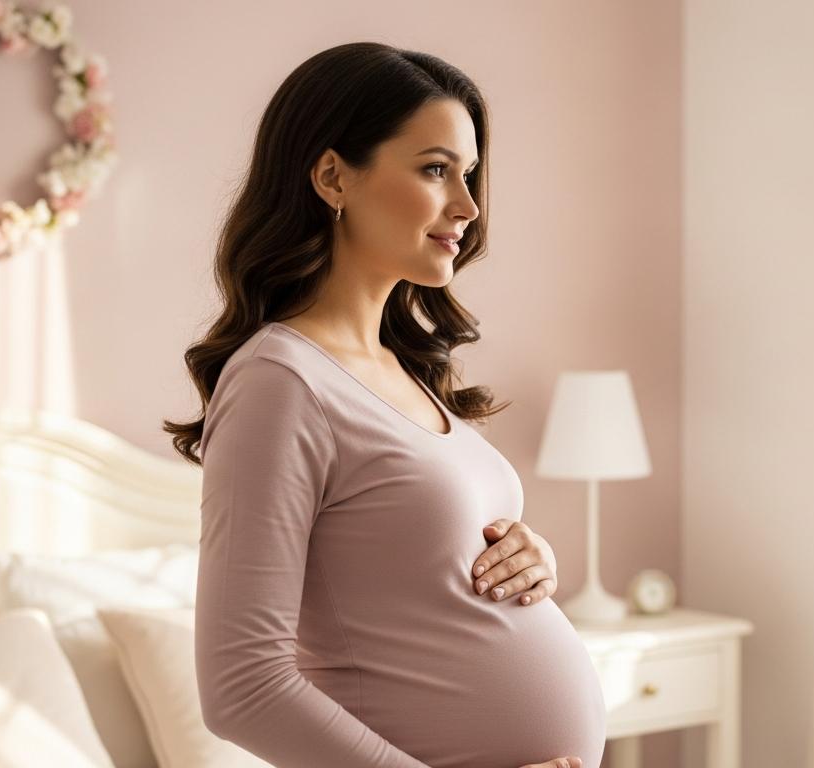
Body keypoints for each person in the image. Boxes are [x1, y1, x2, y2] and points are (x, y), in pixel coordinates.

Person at [162, 42, 605, 768]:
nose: (467, 206)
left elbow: (412, 573)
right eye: (435, 169)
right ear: (333, 176)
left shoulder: (401, 370)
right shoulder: (281, 381)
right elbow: (243, 687)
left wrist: (531, 563)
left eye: (468, 174)